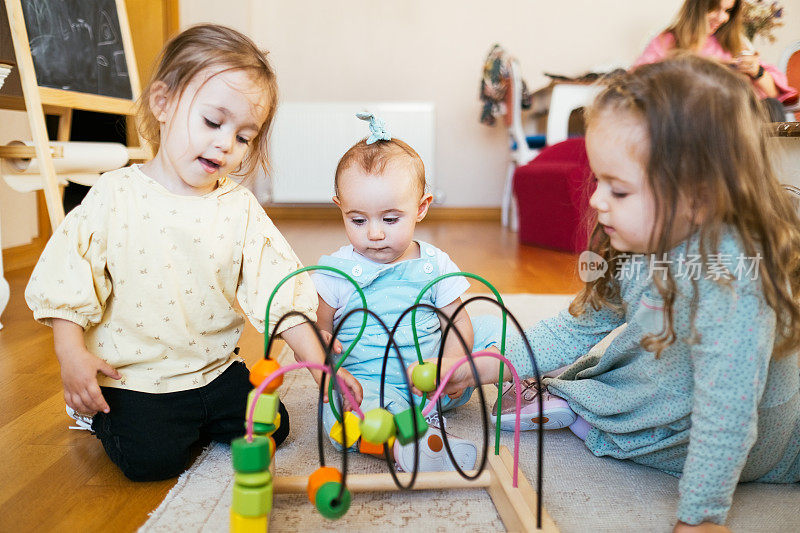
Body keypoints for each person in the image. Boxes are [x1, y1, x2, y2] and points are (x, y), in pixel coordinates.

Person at [412, 55, 800, 531]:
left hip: (753, 441)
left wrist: (701, 518)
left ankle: (583, 409)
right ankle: (578, 403)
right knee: (493, 332)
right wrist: (488, 366)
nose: (596, 201)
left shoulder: (732, 277)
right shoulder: (642, 242)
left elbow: (729, 412)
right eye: (601, 183)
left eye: (618, 190)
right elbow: (581, 326)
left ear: (698, 196)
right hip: (669, 391)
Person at [25, 24, 361, 482]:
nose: (226, 144)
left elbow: (277, 291)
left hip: (215, 372)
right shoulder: (114, 195)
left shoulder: (238, 206)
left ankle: (198, 417)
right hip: (136, 379)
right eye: (212, 122)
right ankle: (98, 417)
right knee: (151, 462)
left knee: (273, 427)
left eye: (244, 136)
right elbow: (69, 279)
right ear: (163, 104)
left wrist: (319, 363)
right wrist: (71, 354)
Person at [312, 113, 500, 472]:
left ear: (422, 208)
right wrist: (322, 344)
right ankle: (408, 446)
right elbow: (318, 328)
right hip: (372, 386)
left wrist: (451, 370)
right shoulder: (334, 271)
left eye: (390, 219)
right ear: (340, 209)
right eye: (358, 220)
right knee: (340, 414)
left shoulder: (435, 263)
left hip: (434, 384)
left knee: (494, 328)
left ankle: (515, 390)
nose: (375, 234)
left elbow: (457, 322)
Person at [633, 0, 798, 121]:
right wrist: (700, 64)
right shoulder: (667, 41)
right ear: (697, 7)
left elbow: (774, 94)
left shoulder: (732, 43)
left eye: (728, 11)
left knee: (772, 106)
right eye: (714, 9)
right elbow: (637, 81)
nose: (721, 18)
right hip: (690, 117)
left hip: (738, 118)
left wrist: (756, 71)